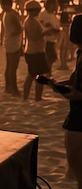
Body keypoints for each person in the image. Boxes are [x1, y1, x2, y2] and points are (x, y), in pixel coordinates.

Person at [59, 13, 82, 189]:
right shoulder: (80, 53)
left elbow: (78, 92)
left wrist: (71, 93)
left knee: (76, 166)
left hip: (79, 117)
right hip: (76, 114)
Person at [23, 0, 57, 101]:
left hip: (32, 51)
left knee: (31, 74)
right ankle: (37, 97)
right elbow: (34, 37)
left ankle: (26, 97)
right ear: (33, 11)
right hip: (35, 52)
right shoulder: (32, 21)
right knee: (39, 75)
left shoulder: (30, 20)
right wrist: (45, 33)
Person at [1, 0, 22, 96]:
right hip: (13, 43)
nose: (1, 6)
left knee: (9, 67)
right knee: (13, 68)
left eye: (3, 4)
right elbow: (19, 29)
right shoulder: (12, 15)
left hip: (8, 42)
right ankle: (14, 89)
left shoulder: (6, 14)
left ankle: (8, 88)